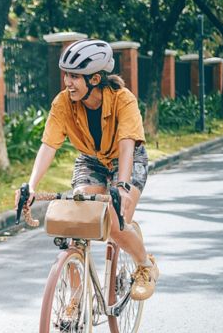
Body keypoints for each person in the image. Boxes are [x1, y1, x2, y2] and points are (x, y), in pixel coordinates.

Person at [16, 39, 159, 303]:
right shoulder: (63, 103)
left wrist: (123, 187)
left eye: (74, 76)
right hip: (91, 159)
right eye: (66, 75)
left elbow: (127, 145)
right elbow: (49, 145)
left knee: (115, 223)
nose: (67, 82)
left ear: (94, 78)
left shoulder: (122, 100)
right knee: (78, 219)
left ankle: (145, 265)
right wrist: (32, 185)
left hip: (124, 158)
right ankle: (76, 297)